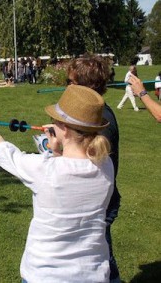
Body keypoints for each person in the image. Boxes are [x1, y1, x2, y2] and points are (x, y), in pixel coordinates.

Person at [0, 85, 114, 283]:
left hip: (45, 275)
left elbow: (7, 154)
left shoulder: (45, 170)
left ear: (64, 129)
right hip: (92, 274)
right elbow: (72, 168)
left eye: (55, 121)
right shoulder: (105, 165)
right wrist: (58, 149)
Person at [66, 55, 121, 283]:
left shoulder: (101, 121)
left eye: (71, 82)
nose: (67, 87)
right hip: (95, 204)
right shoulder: (92, 116)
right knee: (102, 258)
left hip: (98, 207)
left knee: (99, 262)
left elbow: (92, 170)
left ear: (86, 86)